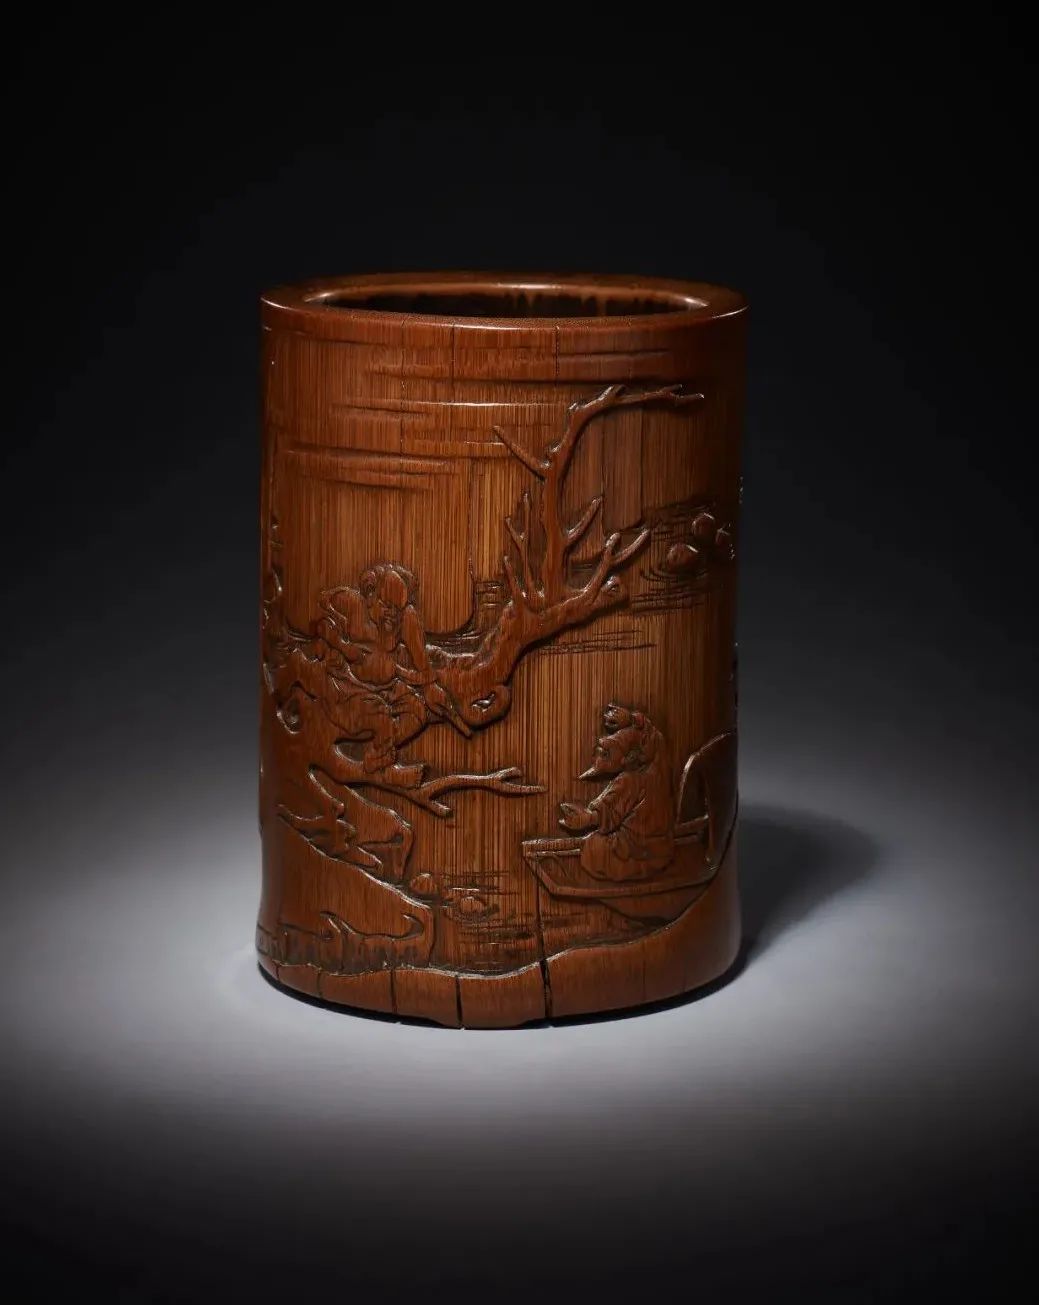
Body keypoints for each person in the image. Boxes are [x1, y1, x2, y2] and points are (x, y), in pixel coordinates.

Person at [311, 563, 456, 777]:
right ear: (371, 595)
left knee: (417, 712)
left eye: (398, 609)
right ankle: (380, 755)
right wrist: (340, 644)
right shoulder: (350, 602)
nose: (393, 615)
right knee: (379, 717)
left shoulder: (406, 618)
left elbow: (423, 667)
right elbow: (316, 613)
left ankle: (378, 753)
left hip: (389, 687)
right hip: (348, 685)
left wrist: (428, 686)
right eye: (387, 606)